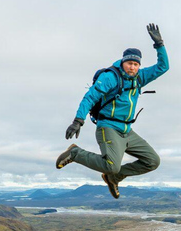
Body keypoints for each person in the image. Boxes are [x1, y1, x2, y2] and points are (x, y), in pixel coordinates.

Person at [56, 23, 169, 199]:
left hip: (127, 131)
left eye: (136, 64)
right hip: (108, 126)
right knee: (111, 164)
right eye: (129, 63)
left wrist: (159, 45)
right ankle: (75, 153)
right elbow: (90, 97)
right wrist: (78, 121)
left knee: (153, 161)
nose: (132, 67)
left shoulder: (140, 77)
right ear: (123, 62)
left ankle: (114, 177)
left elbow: (163, 67)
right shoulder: (110, 77)